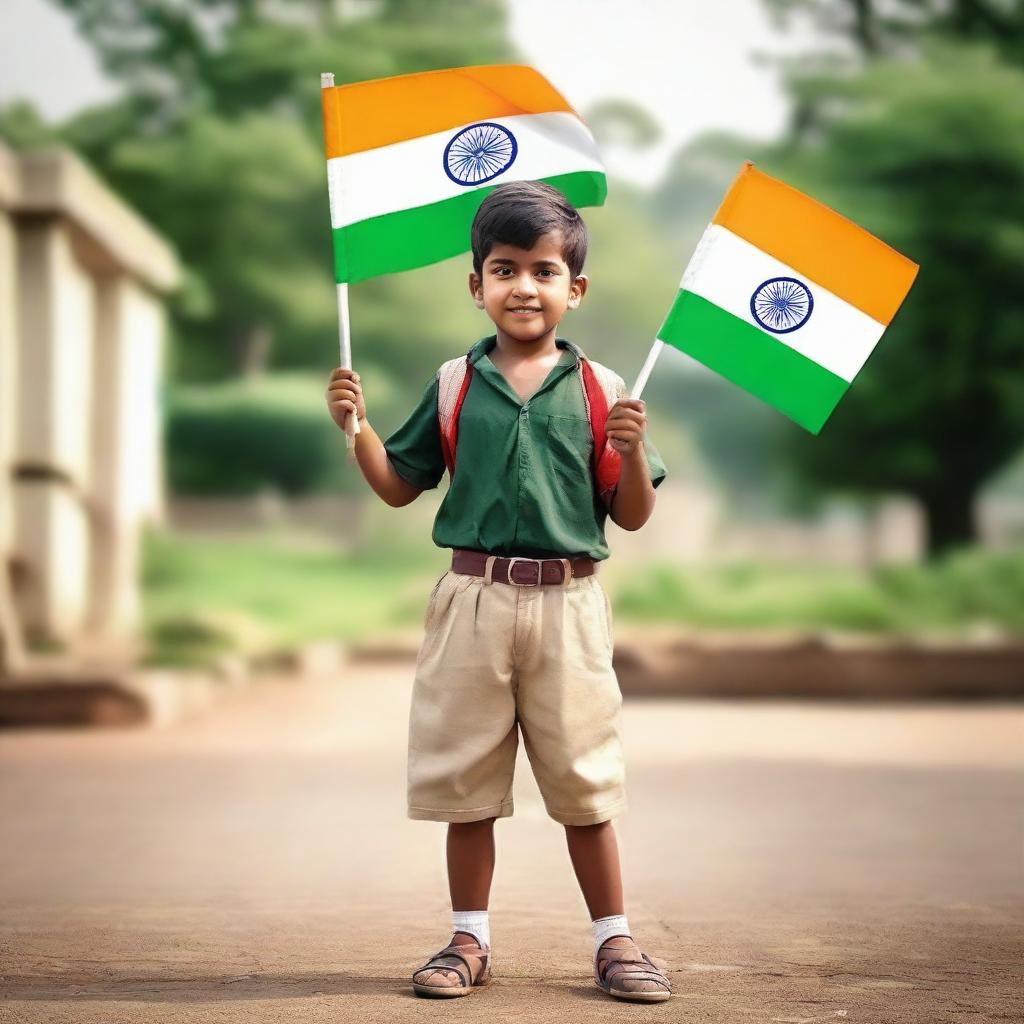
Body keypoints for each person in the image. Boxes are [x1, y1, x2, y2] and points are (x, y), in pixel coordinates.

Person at [325, 180, 672, 1003]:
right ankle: (468, 940)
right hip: (471, 604)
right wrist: (358, 428)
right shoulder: (453, 383)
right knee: (466, 781)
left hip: (569, 605)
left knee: (585, 783)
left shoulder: (602, 390)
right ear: (476, 284)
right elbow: (399, 487)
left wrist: (632, 444)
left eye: (545, 270)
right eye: (505, 268)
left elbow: (630, 514)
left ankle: (614, 941)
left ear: (574, 289)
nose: (525, 286)